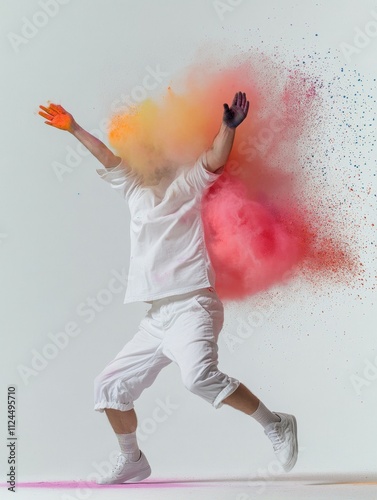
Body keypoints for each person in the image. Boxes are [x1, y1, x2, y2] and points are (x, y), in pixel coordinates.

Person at [39, 92, 298, 484]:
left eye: (156, 153)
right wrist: (74, 128)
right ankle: (134, 460)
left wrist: (227, 129)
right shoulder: (132, 188)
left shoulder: (188, 184)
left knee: (198, 378)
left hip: (194, 305)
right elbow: (107, 157)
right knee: (109, 386)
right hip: (157, 317)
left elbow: (214, 157)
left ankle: (276, 423)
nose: (150, 160)